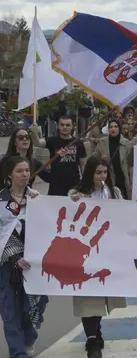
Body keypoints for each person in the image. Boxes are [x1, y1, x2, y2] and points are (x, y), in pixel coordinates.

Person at [68, 156, 127, 358]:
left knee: (101, 294)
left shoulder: (114, 193)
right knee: (87, 296)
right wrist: (72, 203)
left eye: (104, 172)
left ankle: (97, 330)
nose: (102, 176)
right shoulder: (77, 194)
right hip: (84, 252)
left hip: (107, 250)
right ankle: (92, 339)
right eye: (98, 172)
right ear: (90, 174)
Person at [0, 156, 46, 358]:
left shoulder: (37, 199)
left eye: (27, 170)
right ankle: (17, 354)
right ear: (10, 174)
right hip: (8, 265)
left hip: (34, 264)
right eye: (20, 171)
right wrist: (13, 256)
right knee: (10, 312)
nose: (25, 174)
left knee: (37, 304)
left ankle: (29, 338)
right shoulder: (1, 201)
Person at [31, 115, 88, 196]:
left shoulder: (78, 143)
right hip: (56, 184)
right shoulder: (52, 140)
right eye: (62, 125)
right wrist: (33, 133)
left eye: (67, 125)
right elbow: (38, 143)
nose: (64, 127)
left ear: (72, 127)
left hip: (73, 184)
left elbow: (83, 165)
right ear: (58, 126)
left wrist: (84, 184)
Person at [92, 120, 132, 199]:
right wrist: (101, 159)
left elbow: (130, 164)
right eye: (110, 127)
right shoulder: (102, 142)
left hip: (123, 178)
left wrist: (131, 181)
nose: (113, 129)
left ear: (119, 129)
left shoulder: (126, 143)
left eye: (115, 126)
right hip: (108, 178)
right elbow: (93, 159)